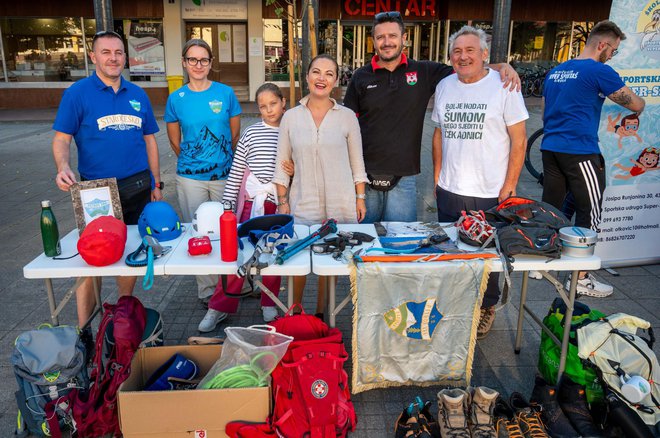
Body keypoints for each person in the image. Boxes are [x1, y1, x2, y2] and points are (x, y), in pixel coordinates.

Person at [343, 11, 520, 223]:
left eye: (392, 36)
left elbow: (465, 67)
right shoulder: (360, 76)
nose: (387, 42)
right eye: (381, 37)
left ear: (404, 39)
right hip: (365, 176)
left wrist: (502, 67)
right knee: (364, 241)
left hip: (404, 178)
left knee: (402, 244)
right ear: (373, 42)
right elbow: (347, 125)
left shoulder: (424, 71)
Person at [52, 30, 163, 327]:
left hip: (137, 185)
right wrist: (62, 165)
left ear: (125, 57)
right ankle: (85, 327)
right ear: (93, 57)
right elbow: (62, 139)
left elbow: (150, 141)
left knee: (130, 251)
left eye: (118, 53)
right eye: (106, 52)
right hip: (96, 191)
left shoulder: (138, 95)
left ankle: (122, 313)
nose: (113, 58)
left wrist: (156, 183)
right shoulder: (77, 94)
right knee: (91, 258)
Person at [431, 25, 528, 339]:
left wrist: (510, 183)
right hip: (450, 188)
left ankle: (486, 308)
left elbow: (519, 139)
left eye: (470, 50)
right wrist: (436, 176)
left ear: (484, 54)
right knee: (452, 252)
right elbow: (438, 133)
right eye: (457, 52)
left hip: (489, 190)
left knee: (489, 256)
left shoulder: (504, 86)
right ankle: (457, 304)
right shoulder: (445, 85)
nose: (463, 57)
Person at [541, 20, 645, 297]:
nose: (612, 55)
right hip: (579, 150)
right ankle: (582, 278)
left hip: (550, 146)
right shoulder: (599, 70)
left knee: (553, 207)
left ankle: (541, 261)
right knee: (592, 210)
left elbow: (547, 105)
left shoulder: (557, 71)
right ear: (602, 45)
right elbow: (635, 103)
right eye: (613, 50)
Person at [273, 54, 368, 317]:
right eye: (316, 72)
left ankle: (322, 313)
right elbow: (281, 164)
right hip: (303, 201)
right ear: (307, 77)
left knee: (331, 261)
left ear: (336, 80)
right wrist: (282, 201)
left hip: (341, 200)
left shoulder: (347, 116)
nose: (321, 78)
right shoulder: (291, 117)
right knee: (297, 259)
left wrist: (360, 197)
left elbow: (356, 162)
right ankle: (295, 313)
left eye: (329, 73)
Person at [197, 83, 287, 331]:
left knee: (272, 257)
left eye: (273, 104)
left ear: (283, 102)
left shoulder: (292, 132)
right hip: (249, 205)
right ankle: (219, 306)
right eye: (262, 106)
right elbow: (237, 172)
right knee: (237, 256)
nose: (269, 110)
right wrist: (227, 207)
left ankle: (269, 302)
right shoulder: (251, 133)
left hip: (277, 205)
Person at [164, 38, 242, 303]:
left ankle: (230, 285)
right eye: (193, 60)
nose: (199, 65)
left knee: (227, 231)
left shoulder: (225, 93)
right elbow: (175, 141)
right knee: (200, 233)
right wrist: (196, 162)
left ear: (211, 63)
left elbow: (233, 135)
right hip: (190, 179)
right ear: (184, 63)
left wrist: (217, 160)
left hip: (225, 176)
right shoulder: (176, 98)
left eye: (204, 60)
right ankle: (207, 291)